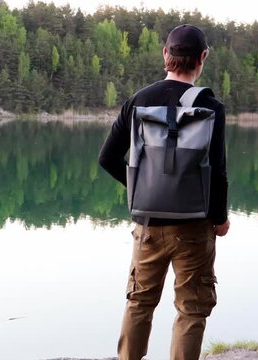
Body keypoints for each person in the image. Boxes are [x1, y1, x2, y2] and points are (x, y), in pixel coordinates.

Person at [98, 24, 230, 360]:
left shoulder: (139, 100)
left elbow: (107, 158)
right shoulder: (211, 107)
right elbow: (217, 172)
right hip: (195, 226)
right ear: (202, 58)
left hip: (148, 225)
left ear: (165, 56)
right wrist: (220, 219)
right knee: (191, 310)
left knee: (139, 303)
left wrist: (140, 187)